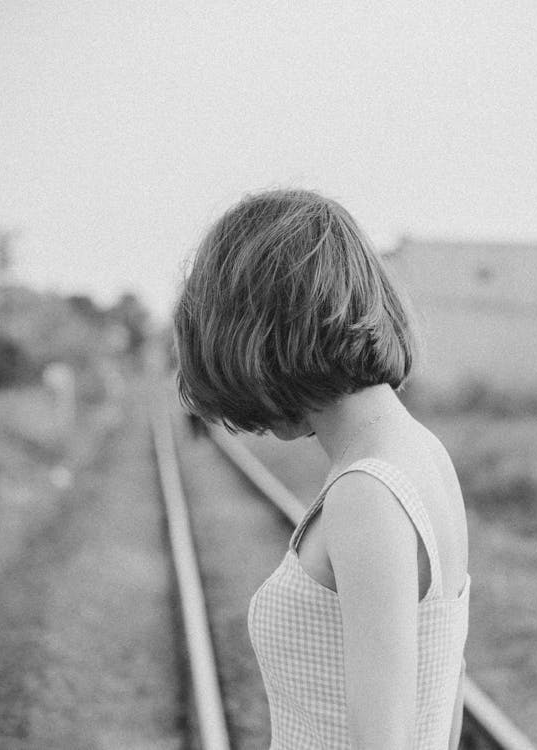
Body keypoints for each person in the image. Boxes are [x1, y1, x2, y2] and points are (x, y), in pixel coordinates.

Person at [173, 189, 470, 749]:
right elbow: (444, 705)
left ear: (267, 337)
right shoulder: (424, 455)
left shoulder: (367, 493)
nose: (247, 414)